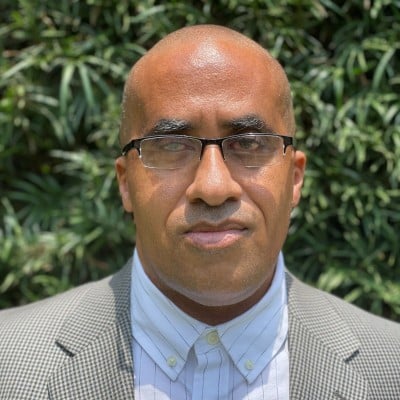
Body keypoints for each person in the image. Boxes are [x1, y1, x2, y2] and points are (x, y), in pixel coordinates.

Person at [0, 25, 399, 400]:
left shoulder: (390, 370)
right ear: (125, 183)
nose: (212, 188)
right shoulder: (10, 366)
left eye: (249, 143)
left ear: (295, 179)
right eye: (172, 146)